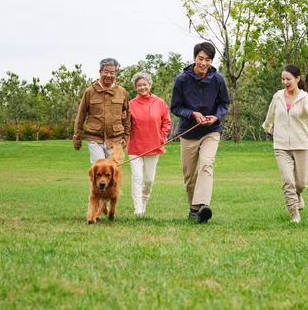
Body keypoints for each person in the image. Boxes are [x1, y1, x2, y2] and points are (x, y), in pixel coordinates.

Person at [170, 42, 230, 224]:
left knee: (207, 164)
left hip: (211, 131)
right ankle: (194, 208)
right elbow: (175, 107)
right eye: (201, 59)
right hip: (189, 131)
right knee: (189, 174)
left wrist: (216, 117)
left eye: (208, 60)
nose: (204, 63)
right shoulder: (182, 79)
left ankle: (203, 205)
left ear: (212, 61)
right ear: (194, 58)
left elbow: (224, 104)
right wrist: (192, 114)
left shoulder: (218, 79)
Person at [262, 64, 308, 223]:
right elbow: (270, 115)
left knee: (301, 183)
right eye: (283, 79)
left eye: (288, 79)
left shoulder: (305, 98)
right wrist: (267, 126)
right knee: (288, 180)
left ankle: (298, 194)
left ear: (297, 79)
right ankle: (294, 214)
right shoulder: (277, 97)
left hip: (301, 145)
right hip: (281, 146)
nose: (285, 82)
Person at [127, 72, 171, 215]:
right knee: (137, 177)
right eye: (139, 85)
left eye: (144, 84)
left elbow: (166, 121)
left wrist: (162, 136)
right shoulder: (130, 105)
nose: (142, 87)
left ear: (150, 85)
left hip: (154, 145)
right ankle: (138, 208)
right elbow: (125, 124)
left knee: (148, 180)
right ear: (135, 87)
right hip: (135, 147)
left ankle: (144, 203)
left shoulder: (159, 102)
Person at [73, 58, 131, 164]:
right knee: (99, 169)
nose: (109, 75)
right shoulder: (89, 92)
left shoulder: (122, 92)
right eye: (106, 72)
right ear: (100, 72)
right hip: (95, 138)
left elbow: (127, 115)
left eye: (112, 72)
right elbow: (81, 115)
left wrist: (126, 136)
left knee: (113, 171)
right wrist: (77, 137)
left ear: (115, 74)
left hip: (115, 139)